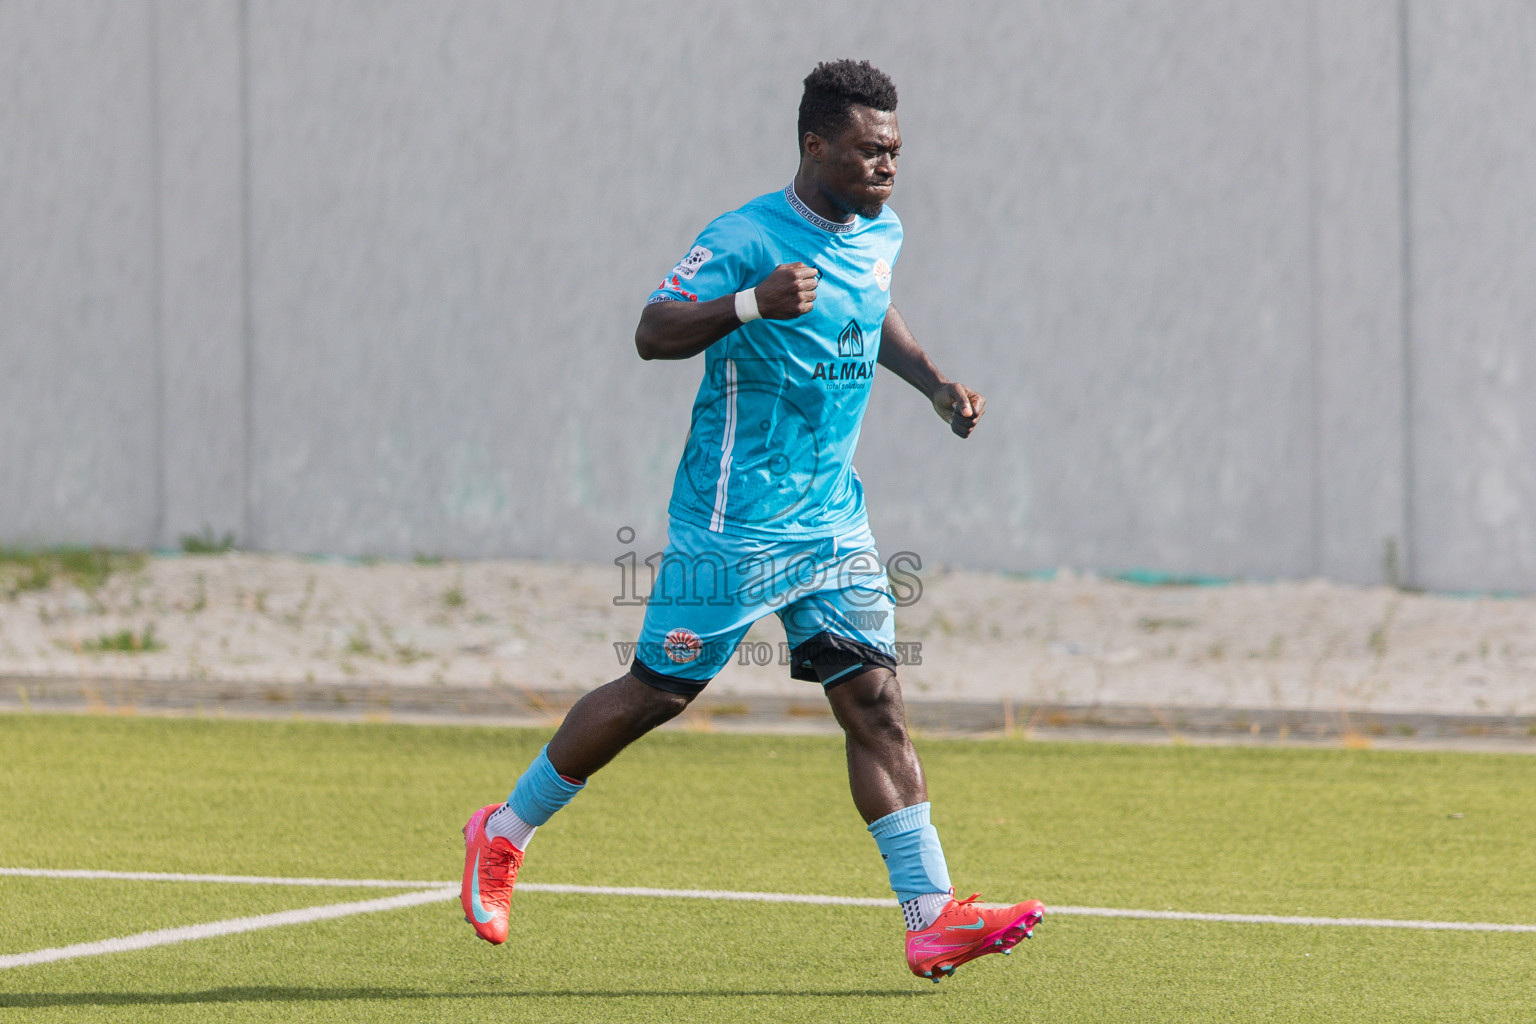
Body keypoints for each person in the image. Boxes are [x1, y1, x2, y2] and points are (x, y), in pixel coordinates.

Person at [461, 59, 1043, 982]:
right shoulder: (744, 237)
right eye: (868, 150)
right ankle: (504, 828)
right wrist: (749, 304)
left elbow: (873, 309)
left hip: (832, 525)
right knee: (655, 693)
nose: (888, 166)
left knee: (876, 704)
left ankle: (931, 915)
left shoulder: (880, 230)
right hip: (732, 525)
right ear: (816, 146)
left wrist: (934, 384)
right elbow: (652, 331)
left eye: (895, 150)